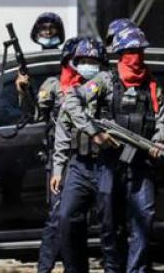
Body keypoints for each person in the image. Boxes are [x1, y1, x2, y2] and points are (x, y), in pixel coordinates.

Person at [63, 27, 164, 273]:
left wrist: (159, 139)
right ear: (120, 53)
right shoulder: (105, 80)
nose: (136, 57)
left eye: (140, 51)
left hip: (141, 165)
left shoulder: (152, 85)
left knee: (145, 220)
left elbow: (162, 119)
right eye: (131, 51)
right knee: (111, 226)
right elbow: (72, 100)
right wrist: (95, 132)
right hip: (110, 165)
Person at [55, 38, 110, 273]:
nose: (88, 65)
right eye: (83, 61)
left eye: (93, 61)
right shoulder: (73, 92)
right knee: (67, 219)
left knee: (110, 225)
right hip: (79, 164)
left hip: (107, 164)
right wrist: (58, 169)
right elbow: (62, 131)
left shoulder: (108, 83)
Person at [33, 37, 82, 273]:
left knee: (76, 220)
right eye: (76, 59)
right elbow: (33, 117)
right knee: (57, 217)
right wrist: (23, 90)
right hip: (60, 157)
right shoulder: (53, 85)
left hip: (87, 158)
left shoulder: (95, 85)